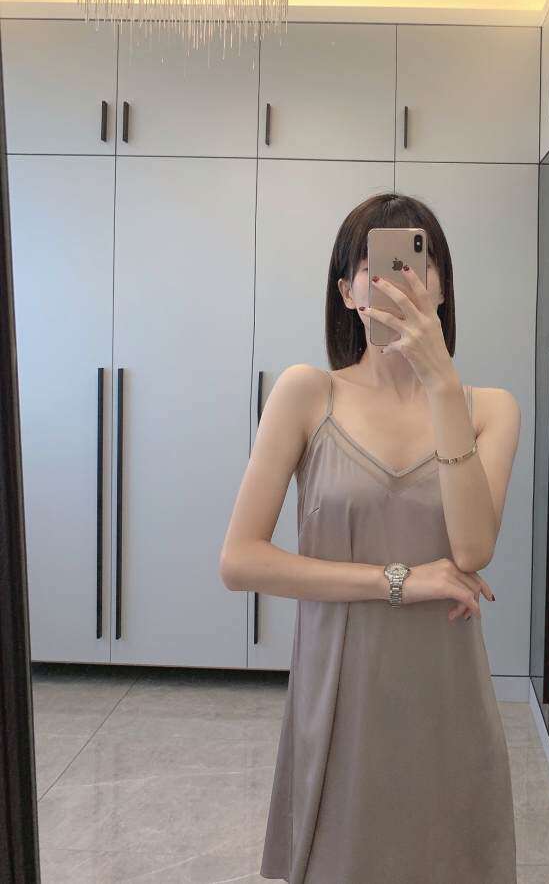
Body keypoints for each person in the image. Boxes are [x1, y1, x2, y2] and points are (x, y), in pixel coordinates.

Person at [220, 192, 521, 883]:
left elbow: (472, 550)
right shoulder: (308, 393)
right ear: (347, 292)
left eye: (419, 260)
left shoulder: (491, 409)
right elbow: (240, 561)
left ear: (442, 287)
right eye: (374, 263)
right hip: (340, 696)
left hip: (446, 696)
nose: (399, 279)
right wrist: (401, 580)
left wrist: (440, 383)